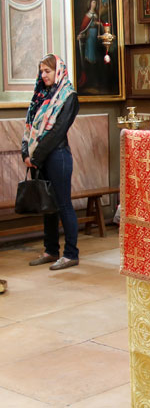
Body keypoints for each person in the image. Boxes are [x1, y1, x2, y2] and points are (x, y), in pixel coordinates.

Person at [22, 55, 80, 271]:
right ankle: (51, 250)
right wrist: (25, 153)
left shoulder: (69, 96)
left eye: (47, 71)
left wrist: (35, 157)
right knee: (48, 206)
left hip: (57, 155)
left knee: (63, 204)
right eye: (41, 71)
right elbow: (28, 126)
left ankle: (71, 254)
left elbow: (58, 131)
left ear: (58, 71)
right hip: (38, 157)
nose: (43, 75)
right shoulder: (40, 96)